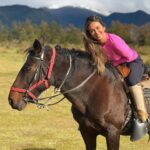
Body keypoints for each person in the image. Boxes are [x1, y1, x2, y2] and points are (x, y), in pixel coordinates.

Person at [83, 15, 150, 138]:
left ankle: (143, 115)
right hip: (115, 66)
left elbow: (127, 56)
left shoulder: (114, 40)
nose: (96, 32)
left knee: (131, 81)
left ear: (103, 27)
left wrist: (113, 67)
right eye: (92, 30)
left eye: (98, 28)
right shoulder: (93, 45)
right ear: (89, 33)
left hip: (132, 62)